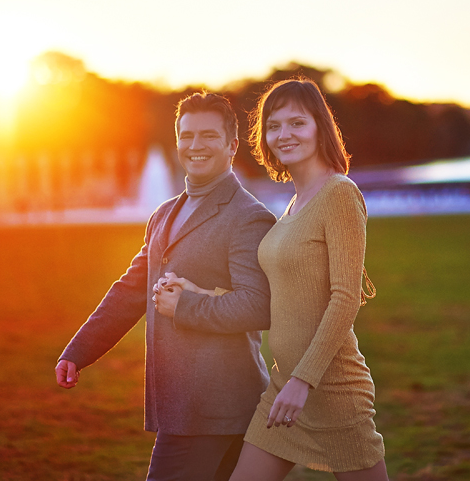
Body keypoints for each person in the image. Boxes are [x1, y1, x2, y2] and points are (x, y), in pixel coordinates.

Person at [163, 79, 388, 480]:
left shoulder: (339, 193)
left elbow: (345, 299)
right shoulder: (293, 203)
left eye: (296, 123)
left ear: (320, 126)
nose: (284, 135)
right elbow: (281, 293)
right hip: (282, 388)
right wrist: (200, 294)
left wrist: (303, 381)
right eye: (274, 125)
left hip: (330, 388)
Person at [55, 92, 276, 481]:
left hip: (215, 407)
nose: (196, 146)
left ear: (231, 145)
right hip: (181, 405)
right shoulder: (163, 214)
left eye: (208, 136)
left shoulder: (249, 217)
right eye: (187, 135)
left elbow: (257, 306)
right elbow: (129, 291)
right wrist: (79, 351)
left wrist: (185, 306)